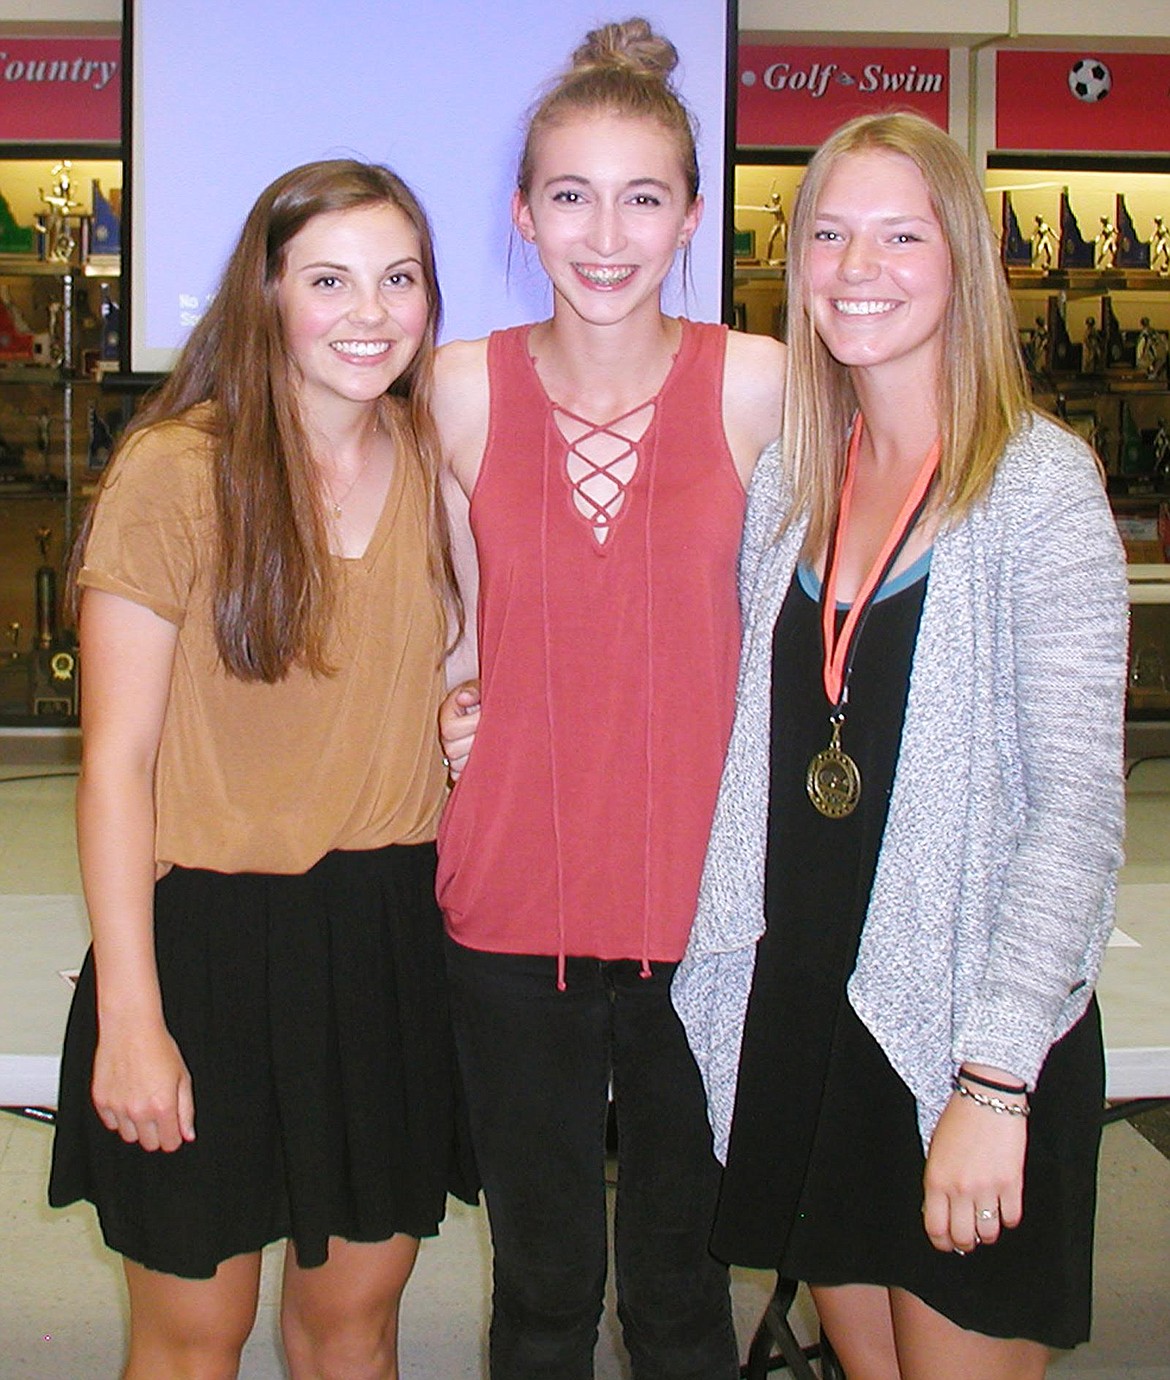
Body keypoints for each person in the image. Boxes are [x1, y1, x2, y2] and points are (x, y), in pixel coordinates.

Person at [673, 112, 1128, 1380]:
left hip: (965, 1027)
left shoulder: (1040, 488)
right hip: (821, 1014)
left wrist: (993, 1086)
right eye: (827, 232)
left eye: (897, 234)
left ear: (964, 259)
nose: (854, 265)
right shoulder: (796, 479)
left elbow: (1077, 817)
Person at [48, 159, 472, 1380]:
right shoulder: (180, 470)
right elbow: (115, 763)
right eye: (329, 279)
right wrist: (132, 1016)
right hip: (204, 949)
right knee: (193, 1338)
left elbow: (443, 676)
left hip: (384, 939)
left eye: (399, 280)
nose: (369, 311)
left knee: (353, 1330)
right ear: (268, 293)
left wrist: (464, 714)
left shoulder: (438, 464)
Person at [434, 18, 784, 1379]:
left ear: (690, 216)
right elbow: (451, 634)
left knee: (683, 1302)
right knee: (540, 1297)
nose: (604, 234)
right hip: (514, 910)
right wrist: (439, 715)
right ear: (522, 214)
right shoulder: (457, 391)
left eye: (642, 197)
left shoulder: (756, 385)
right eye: (569, 196)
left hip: (707, 919)